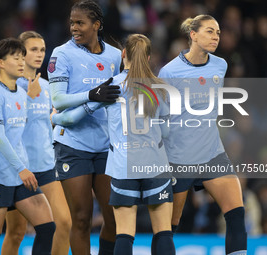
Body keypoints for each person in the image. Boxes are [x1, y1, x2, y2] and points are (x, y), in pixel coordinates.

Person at [52, 33, 175, 255]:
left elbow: (70, 119)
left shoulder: (111, 87)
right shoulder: (161, 89)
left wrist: (54, 118)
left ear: (123, 54)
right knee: (163, 232)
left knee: (124, 233)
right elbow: (166, 132)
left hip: (123, 166)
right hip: (155, 165)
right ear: (148, 58)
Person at [158, 15, 247, 255]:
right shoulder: (169, 72)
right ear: (193, 35)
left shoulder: (220, 65)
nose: (216, 36)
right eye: (210, 31)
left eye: (218, 32)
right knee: (168, 227)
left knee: (237, 214)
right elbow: (161, 118)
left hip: (212, 154)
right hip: (179, 158)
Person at [47, 1, 122, 254]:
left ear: (96, 25)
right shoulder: (62, 54)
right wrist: (92, 94)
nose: (74, 28)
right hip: (72, 144)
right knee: (81, 219)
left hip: (105, 145)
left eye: (80, 23)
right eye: (71, 23)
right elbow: (57, 100)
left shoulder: (114, 55)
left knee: (113, 219)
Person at [0, 38, 55, 255]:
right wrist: (22, 168)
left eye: (22, 57)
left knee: (47, 227)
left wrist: (33, 99)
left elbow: (20, 123)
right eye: (15, 58)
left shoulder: (20, 93)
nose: (21, 62)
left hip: (17, 176)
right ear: (1, 62)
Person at [1, 31, 71, 255]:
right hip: (20, 170)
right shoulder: (10, 87)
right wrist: (27, 97)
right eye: (33, 50)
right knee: (16, 232)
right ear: (21, 53)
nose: (40, 54)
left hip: (47, 167)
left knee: (64, 223)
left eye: (42, 50)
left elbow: (51, 124)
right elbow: (5, 130)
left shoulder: (48, 87)